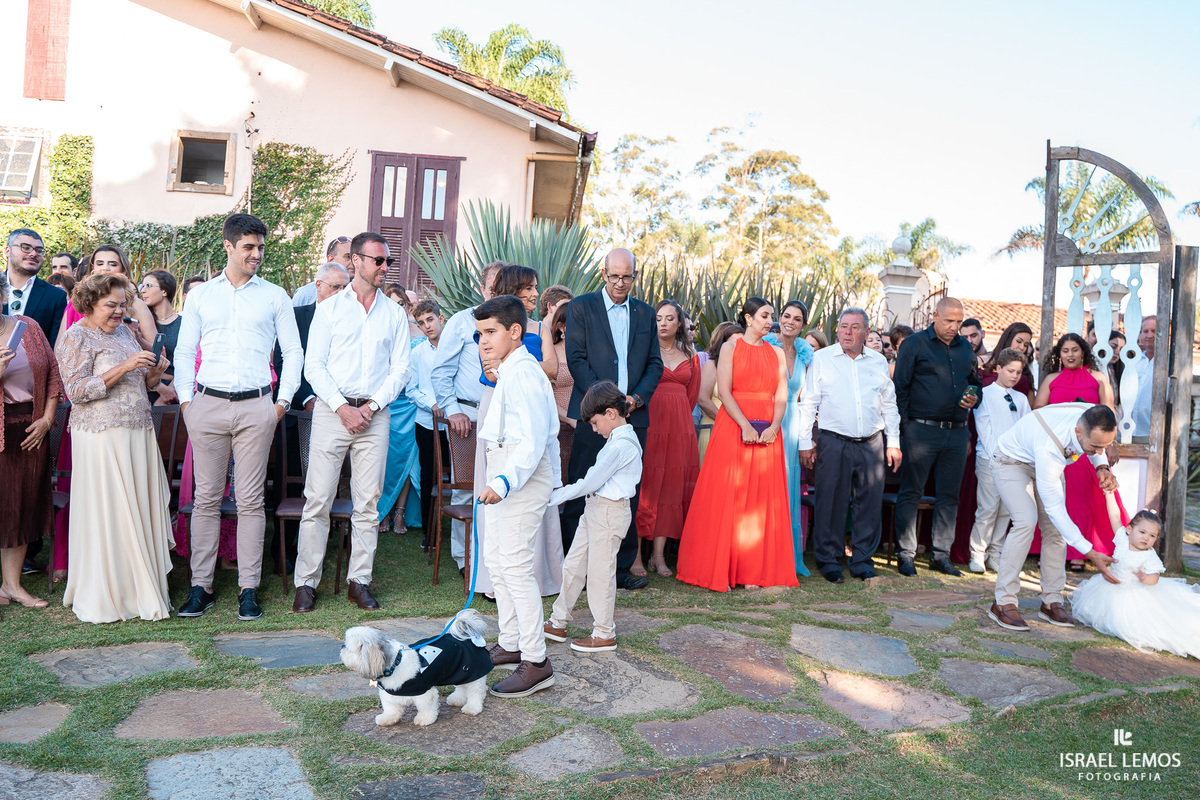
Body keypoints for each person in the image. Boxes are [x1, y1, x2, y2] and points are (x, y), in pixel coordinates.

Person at [174, 213, 303, 621]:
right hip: (206, 404)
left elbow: (294, 352)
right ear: (228, 246)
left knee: (250, 501)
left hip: (257, 405)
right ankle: (201, 587)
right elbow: (183, 350)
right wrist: (185, 402)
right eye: (249, 247)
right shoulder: (200, 296)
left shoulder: (275, 296)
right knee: (206, 499)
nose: (257, 254)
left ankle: (249, 588)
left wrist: (280, 405)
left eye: (261, 247)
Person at [293, 232, 410, 613]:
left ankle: (359, 581)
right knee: (318, 499)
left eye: (387, 262)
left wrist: (372, 406)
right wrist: (344, 407)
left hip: (375, 416)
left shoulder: (394, 314)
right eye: (378, 260)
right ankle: (306, 583)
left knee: (368, 504)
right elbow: (315, 366)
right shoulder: (328, 309)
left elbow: (401, 369)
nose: (384, 268)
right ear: (356, 261)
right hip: (332, 413)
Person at [56, 274, 174, 622]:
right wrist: (125, 366)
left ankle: (142, 586)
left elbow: (142, 383)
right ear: (89, 303)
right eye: (111, 305)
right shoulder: (75, 337)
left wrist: (155, 372)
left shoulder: (126, 332)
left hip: (138, 431)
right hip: (101, 436)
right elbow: (76, 391)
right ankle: (111, 591)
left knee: (137, 507)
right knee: (111, 510)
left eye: (123, 304)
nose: (119, 311)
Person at [677, 297, 797, 592]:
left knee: (760, 502)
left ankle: (753, 570)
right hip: (733, 427)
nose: (771, 321)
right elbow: (726, 393)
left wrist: (774, 427)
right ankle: (726, 566)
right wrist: (743, 425)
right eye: (765, 316)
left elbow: (781, 395)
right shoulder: (729, 349)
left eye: (772, 316)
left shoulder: (777, 353)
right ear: (747, 317)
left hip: (769, 430)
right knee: (730, 497)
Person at [474, 295, 560, 697]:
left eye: (491, 332)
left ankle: (537, 661)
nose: (484, 342)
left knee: (514, 565)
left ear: (515, 332)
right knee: (497, 561)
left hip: (522, 476)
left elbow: (532, 441)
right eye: (479, 335)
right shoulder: (510, 371)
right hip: (506, 472)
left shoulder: (524, 373)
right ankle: (510, 642)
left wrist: (504, 482)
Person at [563, 248, 662, 589]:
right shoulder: (581, 307)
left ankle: (620, 570)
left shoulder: (646, 314)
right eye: (615, 276)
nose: (621, 283)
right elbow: (576, 359)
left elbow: (654, 364)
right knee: (583, 485)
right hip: (594, 415)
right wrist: (605, 402)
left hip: (634, 416)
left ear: (635, 276)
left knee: (627, 492)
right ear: (603, 274)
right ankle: (574, 567)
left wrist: (634, 399)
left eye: (627, 277)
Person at [472, 265, 563, 597]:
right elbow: (491, 374)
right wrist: (520, 368)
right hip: (497, 403)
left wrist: (519, 365)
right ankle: (494, 579)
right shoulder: (492, 324)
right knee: (496, 480)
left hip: (529, 399)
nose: (535, 294)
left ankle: (537, 575)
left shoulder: (540, 329)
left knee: (532, 478)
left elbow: (553, 368)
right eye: (529, 288)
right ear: (514, 289)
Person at [987, 403, 1120, 631]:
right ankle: (1003, 602)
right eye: (1096, 447)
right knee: (1026, 521)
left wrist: (1102, 467)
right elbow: (1056, 509)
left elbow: (1099, 445)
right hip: (1011, 462)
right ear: (1079, 431)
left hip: (1044, 461)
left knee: (1055, 532)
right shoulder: (1050, 445)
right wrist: (1089, 552)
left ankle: (1051, 600)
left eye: (1105, 445)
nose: (1100, 451)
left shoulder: (1092, 414)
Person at [798, 308, 900, 582]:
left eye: (855, 327)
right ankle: (828, 559)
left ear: (866, 333)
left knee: (869, 503)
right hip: (833, 441)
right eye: (843, 326)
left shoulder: (878, 362)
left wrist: (894, 442)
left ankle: (862, 559)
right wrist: (805, 441)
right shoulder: (822, 359)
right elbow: (809, 402)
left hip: (871, 442)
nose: (847, 332)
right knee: (831, 500)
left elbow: (889, 404)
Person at [543, 381, 642, 652]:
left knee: (600, 574)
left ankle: (603, 633)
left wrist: (553, 497)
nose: (595, 429)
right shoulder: (614, 440)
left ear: (611, 413)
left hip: (609, 512)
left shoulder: (621, 445)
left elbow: (590, 482)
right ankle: (558, 620)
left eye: (596, 423)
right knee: (573, 566)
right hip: (595, 509)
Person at [892, 297, 980, 577]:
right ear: (935, 316)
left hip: (956, 432)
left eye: (959, 321)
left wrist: (974, 396)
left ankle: (940, 556)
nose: (954, 326)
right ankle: (905, 555)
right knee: (911, 492)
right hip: (920, 430)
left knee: (949, 496)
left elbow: (975, 382)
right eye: (949, 320)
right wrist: (905, 430)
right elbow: (900, 389)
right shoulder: (914, 344)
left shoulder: (966, 348)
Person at [430, 261, 503, 572]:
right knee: (465, 486)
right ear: (481, 288)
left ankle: (493, 555)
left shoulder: (513, 326)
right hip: (467, 413)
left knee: (499, 484)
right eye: (492, 289)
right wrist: (453, 409)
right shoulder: (461, 322)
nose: (496, 294)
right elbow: (440, 372)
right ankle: (464, 557)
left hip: (501, 413)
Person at [1033, 333, 1124, 568]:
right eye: (1065, 350)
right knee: (1062, 500)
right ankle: (1054, 551)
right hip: (1061, 448)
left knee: (1085, 499)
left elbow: (1109, 411)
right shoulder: (1051, 379)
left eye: (1075, 349)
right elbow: (1038, 410)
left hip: (1090, 451)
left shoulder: (1098, 378)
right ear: (1059, 354)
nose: (1070, 354)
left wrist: (1111, 444)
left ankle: (1078, 554)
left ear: (1083, 351)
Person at [0, 271, 62, 609]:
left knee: (20, 506)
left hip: (30, 429)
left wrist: (47, 419)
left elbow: (53, 373)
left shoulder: (28, 327)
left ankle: (12, 586)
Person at [1071, 504, 1200, 659]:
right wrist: (1108, 494)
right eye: (1142, 532)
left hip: (1135, 592)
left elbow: (1155, 578)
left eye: (1152, 536)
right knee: (1100, 613)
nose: (1146, 537)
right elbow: (1114, 515)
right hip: (1109, 588)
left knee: (1134, 625)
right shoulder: (1122, 539)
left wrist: (1145, 578)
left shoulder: (1149, 556)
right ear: (1129, 529)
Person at [635, 300, 701, 578]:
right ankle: (637, 555)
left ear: (679, 324)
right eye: (658, 318)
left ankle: (659, 556)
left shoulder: (692, 356)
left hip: (679, 428)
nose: (663, 323)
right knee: (645, 487)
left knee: (671, 490)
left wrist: (679, 420)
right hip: (649, 424)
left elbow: (693, 395)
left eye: (669, 318)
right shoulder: (642, 352)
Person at [967, 349, 1030, 573]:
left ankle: (995, 552)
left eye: (1018, 372)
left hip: (1015, 463)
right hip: (990, 459)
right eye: (1010, 371)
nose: (1014, 376)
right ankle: (977, 552)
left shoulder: (1021, 399)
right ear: (999, 369)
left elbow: (1025, 430)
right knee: (988, 508)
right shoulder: (986, 394)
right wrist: (999, 456)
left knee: (1006, 509)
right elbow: (984, 429)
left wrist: (1019, 458)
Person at [376, 283, 423, 532]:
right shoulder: (379, 334)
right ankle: (382, 511)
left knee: (408, 462)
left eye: (402, 303)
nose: (398, 308)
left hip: (411, 407)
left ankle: (400, 514)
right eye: (393, 304)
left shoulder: (420, 337)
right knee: (384, 461)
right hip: (386, 405)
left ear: (408, 306)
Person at [775, 301, 815, 576]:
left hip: (793, 424)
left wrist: (805, 439)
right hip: (768, 420)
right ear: (779, 318)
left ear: (803, 325)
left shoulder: (804, 355)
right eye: (786, 316)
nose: (790, 322)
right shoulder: (765, 346)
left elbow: (807, 400)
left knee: (789, 488)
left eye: (797, 319)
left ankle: (788, 556)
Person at [407, 300, 448, 544]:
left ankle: (458, 528)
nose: (427, 326)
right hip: (426, 423)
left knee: (458, 477)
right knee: (428, 477)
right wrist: (432, 405)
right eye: (421, 323)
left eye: (430, 320)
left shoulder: (456, 349)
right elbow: (411, 390)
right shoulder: (417, 353)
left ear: (441, 319)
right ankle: (429, 533)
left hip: (455, 423)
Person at [63, 245, 157, 351]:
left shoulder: (136, 305)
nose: (105, 268)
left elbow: (159, 353)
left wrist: (138, 340)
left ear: (124, 270)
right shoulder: (76, 303)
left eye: (112, 264)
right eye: (100, 264)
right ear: (93, 268)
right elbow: (60, 348)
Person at [5, 228, 67, 347]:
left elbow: (54, 346)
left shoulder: (55, 297)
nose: (33, 254)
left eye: (39, 250)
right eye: (26, 247)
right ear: (8, 250)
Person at [697, 322, 742, 463]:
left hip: (741, 431)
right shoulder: (712, 365)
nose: (736, 346)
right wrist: (727, 421)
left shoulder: (746, 369)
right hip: (714, 427)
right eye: (732, 342)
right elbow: (703, 400)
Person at [139, 270, 182, 405]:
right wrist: (161, 388)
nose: (143, 291)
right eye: (142, 286)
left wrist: (171, 389)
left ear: (165, 291)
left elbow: (191, 359)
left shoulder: (185, 323)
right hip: (146, 390)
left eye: (149, 286)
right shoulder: (139, 323)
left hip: (178, 390)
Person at [292, 236, 352, 306]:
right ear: (331, 259)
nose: (353, 262)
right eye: (348, 257)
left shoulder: (362, 294)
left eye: (355, 257)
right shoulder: (305, 295)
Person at [1131, 316, 1155, 438]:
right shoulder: (1134, 362)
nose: (1149, 335)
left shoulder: (1171, 364)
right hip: (1127, 431)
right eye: (1145, 331)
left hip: (1153, 433)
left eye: (1154, 331)